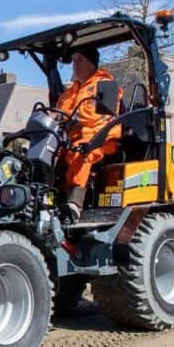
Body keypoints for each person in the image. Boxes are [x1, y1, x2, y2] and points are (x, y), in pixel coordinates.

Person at [56, 46, 123, 221]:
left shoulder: (105, 85)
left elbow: (93, 116)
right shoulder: (70, 92)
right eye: (73, 60)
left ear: (92, 63)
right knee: (49, 151)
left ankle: (74, 202)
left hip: (100, 139)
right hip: (70, 137)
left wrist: (68, 118)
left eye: (80, 60)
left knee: (79, 151)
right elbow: (57, 113)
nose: (75, 65)